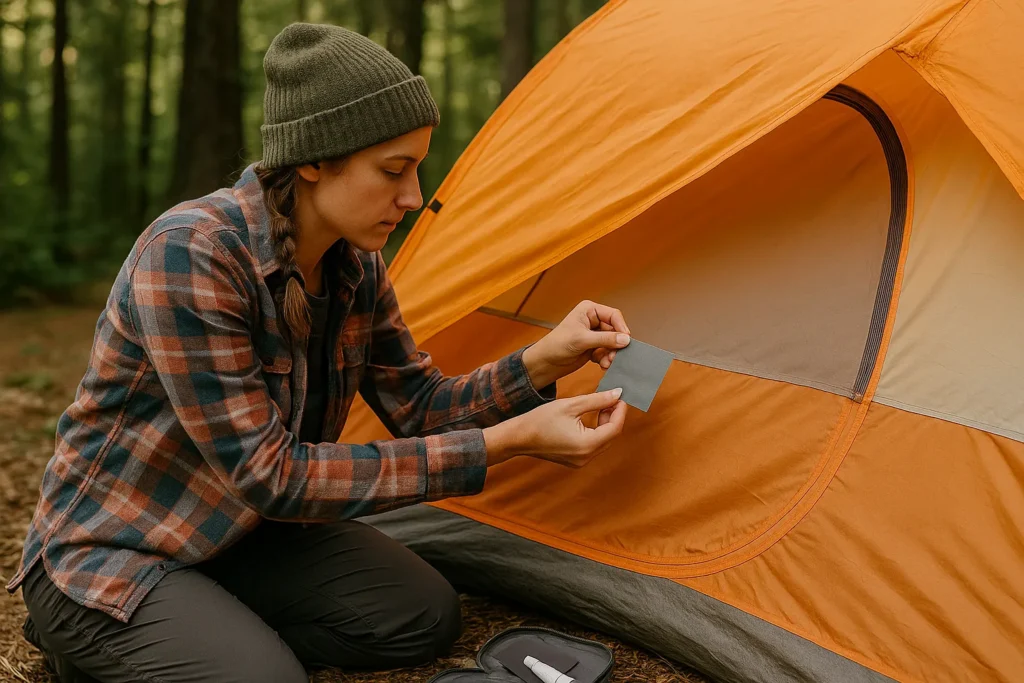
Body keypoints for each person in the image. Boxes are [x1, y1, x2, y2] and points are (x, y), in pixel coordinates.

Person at [6, 23, 632, 683]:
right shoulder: (192, 254)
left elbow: (419, 406)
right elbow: (270, 475)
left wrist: (542, 360)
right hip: (111, 558)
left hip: (238, 538)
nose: (413, 197)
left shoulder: (353, 266)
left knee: (420, 613)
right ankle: (106, 645)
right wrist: (506, 443)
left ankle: (201, 638)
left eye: (416, 168)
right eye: (394, 170)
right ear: (313, 159)